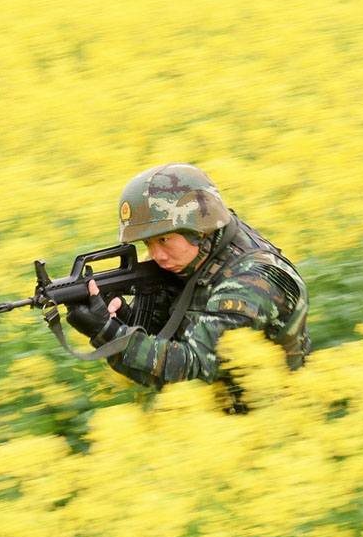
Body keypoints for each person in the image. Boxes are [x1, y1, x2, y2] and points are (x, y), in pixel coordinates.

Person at [63, 163, 311, 398]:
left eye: (163, 240)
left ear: (199, 229)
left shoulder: (251, 281)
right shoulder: (200, 253)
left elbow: (194, 372)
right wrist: (124, 319)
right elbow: (170, 333)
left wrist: (109, 334)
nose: (156, 255)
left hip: (271, 420)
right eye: (147, 242)